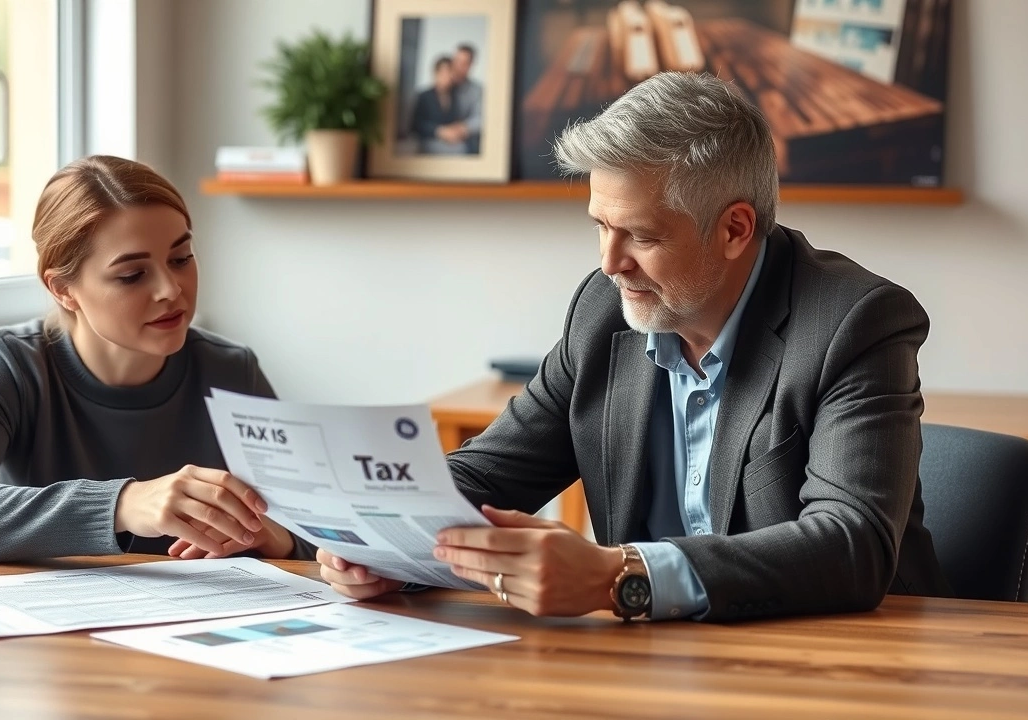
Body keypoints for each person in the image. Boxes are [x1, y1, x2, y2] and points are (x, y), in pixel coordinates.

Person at [318, 72, 951, 622]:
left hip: (840, 657)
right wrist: (378, 538)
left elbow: (850, 544)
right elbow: (491, 472)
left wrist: (618, 576)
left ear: (735, 229)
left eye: (641, 236)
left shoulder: (855, 322)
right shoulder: (602, 310)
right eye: (601, 225)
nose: (610, 263)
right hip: (648, 662)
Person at [0, 155, 301, 563]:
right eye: (132, 275)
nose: (170, 289)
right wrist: (124, 504)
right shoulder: (10, 365)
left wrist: (277, 540)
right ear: (62, 289)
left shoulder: (232, 371)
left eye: (181, 259)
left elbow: (318, 532)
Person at [410, 56, 465, 155]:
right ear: (435, 73)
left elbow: (457, 119)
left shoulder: (456, 96)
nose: (447, 77)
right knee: (459, 150)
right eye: (443, 73)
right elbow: (416, 125)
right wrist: (439, 131)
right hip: (430, 139)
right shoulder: (424, 96)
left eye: (450, 72)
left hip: (451, 141)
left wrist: (456, 129)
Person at [437, 43, 483, 155]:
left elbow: (481, 118)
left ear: (471, 65)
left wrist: (463, 128)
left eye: (463, 63)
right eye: (456, 61)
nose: (458, 67)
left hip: (466, 140)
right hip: (440, 138)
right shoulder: (440, 88)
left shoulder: (477, 90)